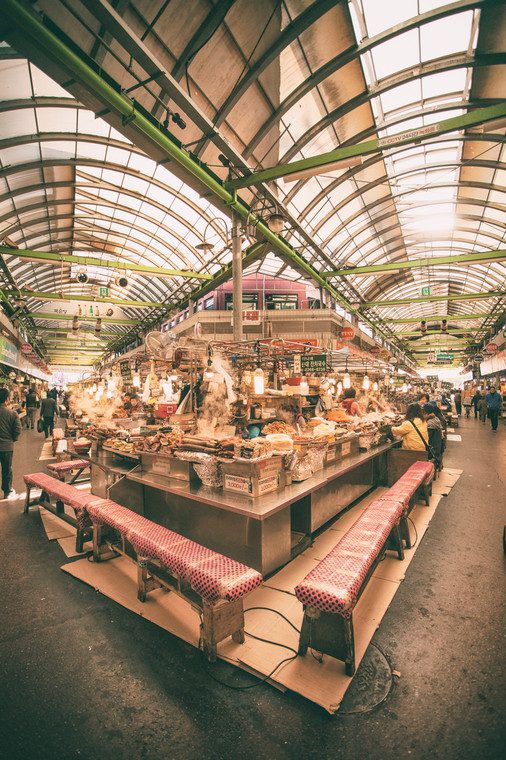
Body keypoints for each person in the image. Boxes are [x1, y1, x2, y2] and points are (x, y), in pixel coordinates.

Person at [0, 387, 21, 499]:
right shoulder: (12, 413)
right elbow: (17, 429)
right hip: (6, 447)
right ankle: (7, 491)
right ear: (7, 399)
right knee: (6, 469)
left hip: (6, 445)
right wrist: (12, 439)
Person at [422, 403, 443, 470]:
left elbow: (427, 439)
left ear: (426, 413)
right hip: (436, 449)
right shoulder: (436, 419)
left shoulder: (430, 423)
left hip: (433, 452)